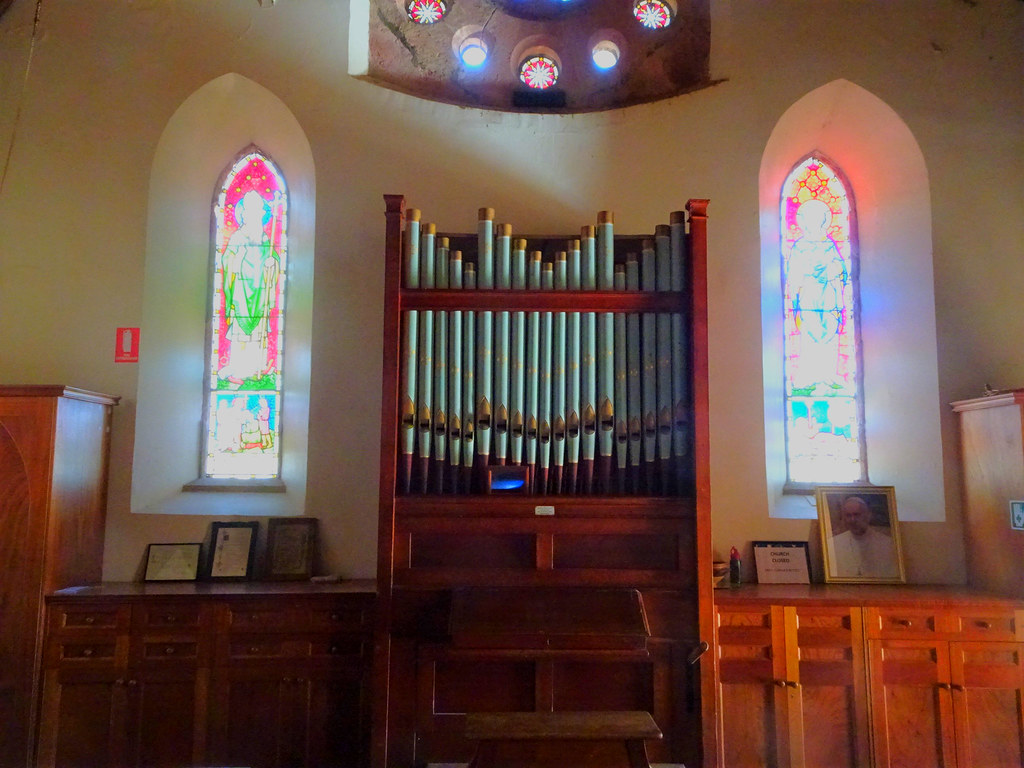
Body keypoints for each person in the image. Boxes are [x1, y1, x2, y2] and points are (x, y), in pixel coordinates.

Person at [830, 495, 899, 578]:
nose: (853, 520)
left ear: (868, 515)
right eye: (848, 515)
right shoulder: (833, 544)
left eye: (857, 515)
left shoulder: (887, 543)